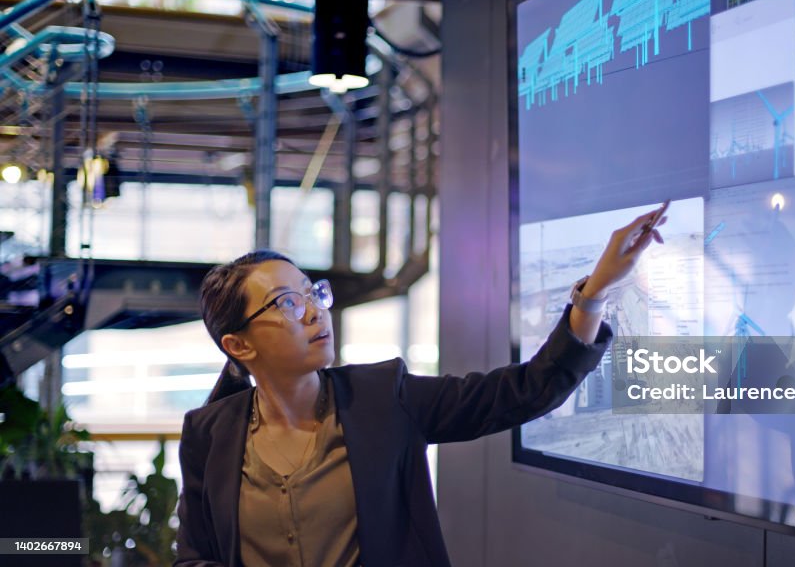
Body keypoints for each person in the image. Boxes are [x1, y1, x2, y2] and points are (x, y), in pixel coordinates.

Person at [174, 209, 666, 567]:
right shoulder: (208, 432)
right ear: (238, 345)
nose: (314, 310)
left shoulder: (383, 398)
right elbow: (194, 557)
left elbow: (526, 390)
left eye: (312, 292)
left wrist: (594, 293)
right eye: (286, 302)